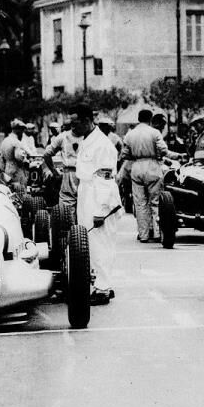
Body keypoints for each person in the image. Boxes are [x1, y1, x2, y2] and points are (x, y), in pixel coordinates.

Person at [71, 105, 122, 305]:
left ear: (86, 120)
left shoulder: (102, 145)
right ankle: (101, 284)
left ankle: (102, 289)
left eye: (75, 123)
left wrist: (101, 210)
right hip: (88, 194)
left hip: (100, 198)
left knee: (101, 244)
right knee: (91, 242)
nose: (72, 127)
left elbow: (105, 180)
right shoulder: (88, 141)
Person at [122, 109, 168, 242]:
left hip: (136, 166)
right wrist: (157, 154)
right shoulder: (154, 132)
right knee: (155, 202)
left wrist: (135, 155)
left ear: (138, 118)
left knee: (140, 203)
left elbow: (124, 154)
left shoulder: (130, 134)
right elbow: (164, 150)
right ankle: (157, 233)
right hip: (153, 166)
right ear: (150, 119)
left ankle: (143, 234)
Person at [44, 121, 82, 207]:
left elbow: (46, 154)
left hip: (69, 172)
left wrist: (54, 171)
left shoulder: (61, 137)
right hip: (84, 173)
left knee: (67, 203)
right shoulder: (88, 136)